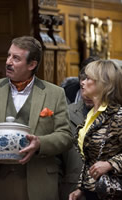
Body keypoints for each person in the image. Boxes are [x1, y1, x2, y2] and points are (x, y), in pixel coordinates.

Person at [0, 36, 73, 200]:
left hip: (39, 182)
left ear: (32, 64)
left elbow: (65, 136)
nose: (8, 62)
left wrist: (39, 144)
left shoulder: (55, 93)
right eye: (8, 55)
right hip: (0, 182)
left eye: (16, 58)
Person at [69, 59, 122, 200]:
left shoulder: (118, 115)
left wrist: (111, 164)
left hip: (115, 192)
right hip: (94, 191)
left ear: (103, 83)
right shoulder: (92, 114)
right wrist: (82, 188)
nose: (82, 82)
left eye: (88, 79)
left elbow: (103, 162)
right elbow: (90, 159)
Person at [59, 56, 99, 200]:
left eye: (93, 87)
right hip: (72, 190)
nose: (86, 94)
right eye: (82, 88)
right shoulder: (66, 113)